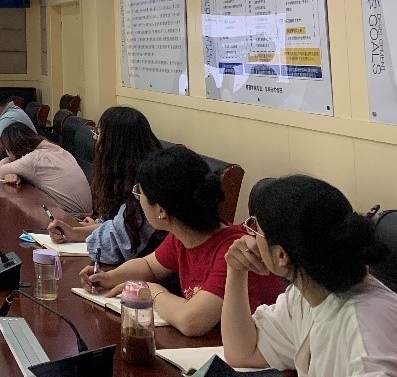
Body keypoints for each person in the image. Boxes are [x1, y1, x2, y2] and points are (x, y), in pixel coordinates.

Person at [81, 145, 284, 337]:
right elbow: (149, 266)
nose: (138, 198)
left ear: (161, 211)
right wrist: (108, 277)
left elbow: (191, 322)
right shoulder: (184, 235)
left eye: (139, 192)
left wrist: (151, 291)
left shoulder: (233, 251)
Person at [221, 175, 397, 375]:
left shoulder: (364, 341)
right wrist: (236, 271)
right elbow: (243, 353)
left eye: (256, 229)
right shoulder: (307, 295)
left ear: (281, 256)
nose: (251, 237)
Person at [47, 106, 165, 264]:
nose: (96, 142)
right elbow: (115, 226)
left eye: (98, 135)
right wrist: (74, 232)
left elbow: (112, 246)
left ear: (114, 145)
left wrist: (90, 232)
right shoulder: (123, 176)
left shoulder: (145, 185)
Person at [0, 122, 93, 214]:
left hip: (72, 216)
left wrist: (8, 161)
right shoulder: (55, 149)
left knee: (18, 207)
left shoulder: (33, 160)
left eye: (7, 150)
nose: (7, 153)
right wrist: (14, 171)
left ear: (12, 149)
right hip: (87, 213)